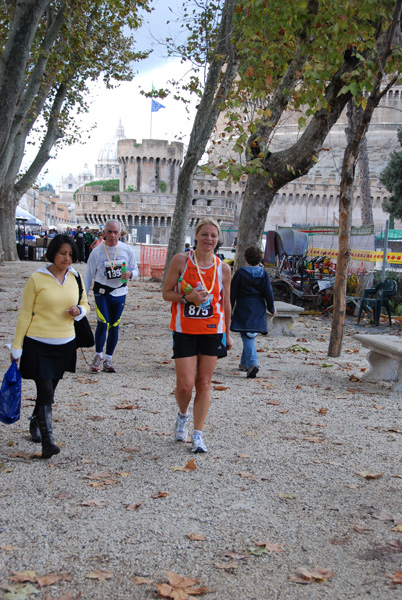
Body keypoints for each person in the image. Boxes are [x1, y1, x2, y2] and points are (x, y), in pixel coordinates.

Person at [10, 235, 90, 458]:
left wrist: (80, 311)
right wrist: (17, 346)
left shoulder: (75, 277)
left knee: (49, 392)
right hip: (38, 343)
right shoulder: (37, 278)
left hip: (65, 344)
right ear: (53, 252)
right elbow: (25, 313)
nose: (67, 258)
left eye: (71, 254)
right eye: (63, 253)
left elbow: (85, 303)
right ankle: (48, 442)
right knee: (44, 390)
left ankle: (36, 420)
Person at [162, 218, 233, 453]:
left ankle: (198, 434)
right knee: (185, 385)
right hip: (185, 330)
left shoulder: (223, 268)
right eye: (204, 234)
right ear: (196, 236)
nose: (209, 239)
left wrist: (228, 334)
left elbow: (225, 303)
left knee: (203, 383)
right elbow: (166, 293)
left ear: (218, 239)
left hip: (213, 331)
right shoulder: (181, 261)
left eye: (213, 235)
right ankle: (182, 415)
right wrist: (186, 298)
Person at [84, 219, 138, 373]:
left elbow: (136, 271)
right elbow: (88, 275)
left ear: (120, 233)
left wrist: (130, 274)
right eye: (110, 232)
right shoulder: (97, 251)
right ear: (104, 233)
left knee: (114, 325)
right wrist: (82, 298)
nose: (113, 235)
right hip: (102, 293)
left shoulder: (127, 250)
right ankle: (98, 357)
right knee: (103, 323)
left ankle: (108, 359)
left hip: (120, 293)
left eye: (116, 232)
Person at [230, 245, 275, 378]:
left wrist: (228, 312)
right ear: (260, 258)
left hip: (244, 306)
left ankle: (252, 363)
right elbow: (269, 293)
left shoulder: (240, 273)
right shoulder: (264, 273)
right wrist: (272, 308)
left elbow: (232, 294)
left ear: (245, 258)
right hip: (258, 307)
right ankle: (244, 363)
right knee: (250, 334)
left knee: (247, 334)